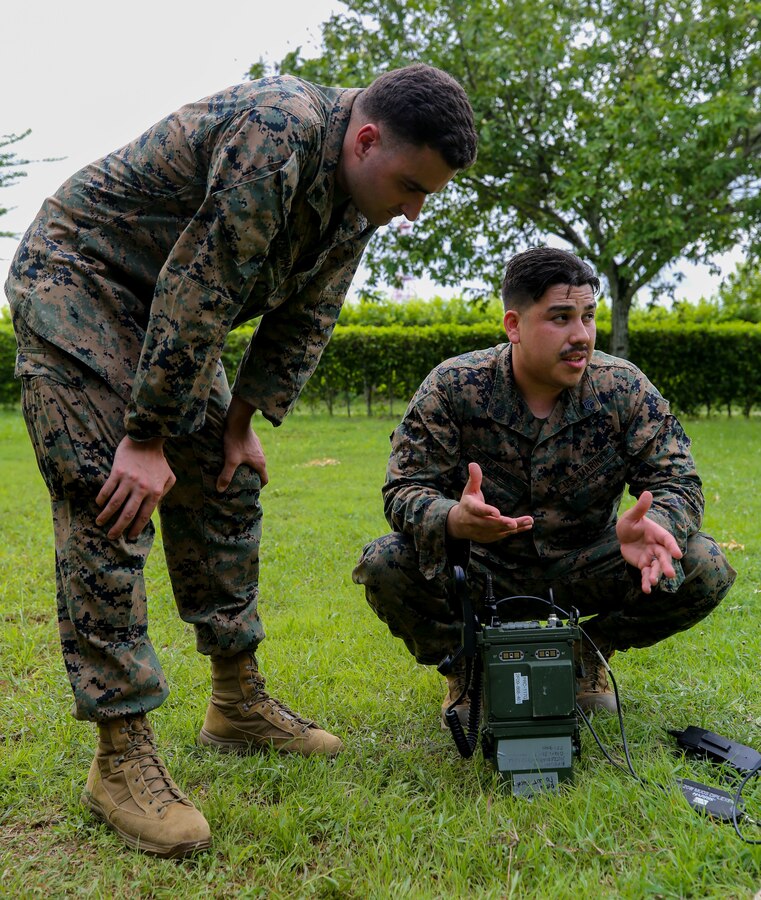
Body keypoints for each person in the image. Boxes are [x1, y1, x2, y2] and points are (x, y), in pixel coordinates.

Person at [5, 64, 478, 858]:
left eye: (425, 195)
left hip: (167, 307)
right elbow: (205, 284)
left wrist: (239, 419)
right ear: (366, 139)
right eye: (408, 186)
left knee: (227, 483)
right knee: (109, 492)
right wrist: (147, 436)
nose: (410, 211)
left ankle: (236, 702)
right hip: (80, 279)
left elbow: (308, 311)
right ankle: (119, 756)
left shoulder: (358, 196)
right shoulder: (278, 131)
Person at [353, 247, 736, 736]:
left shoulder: (622, 388)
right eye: (561, 317)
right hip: (484, 566)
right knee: (384, 562)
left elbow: (677, 480)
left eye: (589, 316)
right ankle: (464, 667)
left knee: (704, 563)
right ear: (514, 325)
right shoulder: (453, 386)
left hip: (586, 564)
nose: (581, 335)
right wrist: (451, 517)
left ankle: (586, 652)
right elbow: (405, 488)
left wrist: (656, 524)